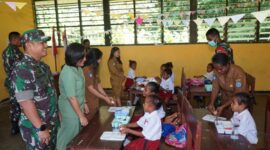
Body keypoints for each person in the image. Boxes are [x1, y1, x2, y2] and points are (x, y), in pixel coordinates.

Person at [11, 29, 59, 149]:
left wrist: (58, 115)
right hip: (36, 128)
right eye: (41, 43)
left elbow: (51, 93)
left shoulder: (43, 66)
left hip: (51, 122)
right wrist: (41, 127)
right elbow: (26, 102)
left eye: (45, 42)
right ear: (28, 45)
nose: (46, 46)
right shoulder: (22, 68)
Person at [57, 43, 89, 150]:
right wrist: (81, 116)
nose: (85, 59)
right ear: (75, 58)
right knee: (67, 136)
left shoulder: (78, 68)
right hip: (70, 109)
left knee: (75, 136)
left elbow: (80, 89)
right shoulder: (68, 72)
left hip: (77, 106)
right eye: (82, 57)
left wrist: (84, 103)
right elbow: (71, 97)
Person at [208, 53, 248, 118]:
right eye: (216, 68)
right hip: (225, 100)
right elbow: (215, 88)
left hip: (239, 103)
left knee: (234, 122)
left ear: (228, 64)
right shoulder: (216, 71)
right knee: (224, 121)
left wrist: (223, 106)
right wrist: (211, 103)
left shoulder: (238, 73)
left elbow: (238, 95)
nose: (218, 71)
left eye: (221, 69)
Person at [83, 48, 115, 120]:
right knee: (89, 125)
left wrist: (106, 96)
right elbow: (90, 88)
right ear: (94, 59)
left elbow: (98, 85)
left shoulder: (94, 69)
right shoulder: (86, 70)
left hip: (95, 101)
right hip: (89, 103)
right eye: (99, 59)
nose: (100, 61)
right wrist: (104, 98)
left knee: (96, 122)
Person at [2, 31, 24, 135]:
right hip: (16, 82)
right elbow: (18, 68)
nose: (21, 41)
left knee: (15, 104)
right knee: (16, 104)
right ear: (14, 40)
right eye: (20, 39)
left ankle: (16, 126)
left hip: (12, 81)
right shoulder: (13, 52)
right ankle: (15, 126)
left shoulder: (8, 50)